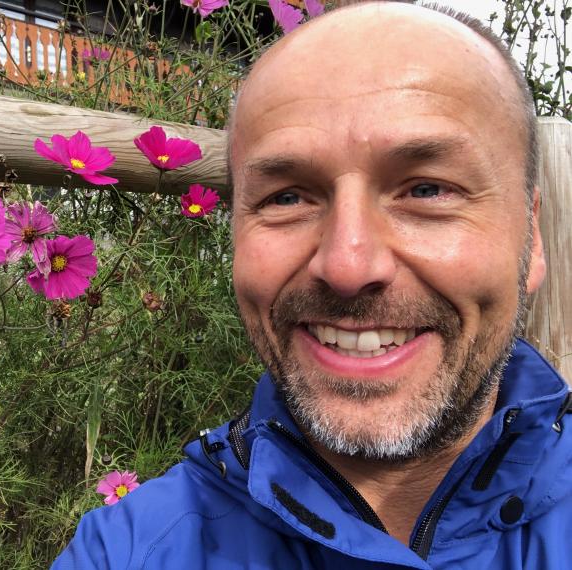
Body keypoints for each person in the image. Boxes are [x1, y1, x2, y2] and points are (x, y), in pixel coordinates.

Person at [52, 2, 572, 568]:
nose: (347, 266)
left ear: (533, 237)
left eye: (426, 190)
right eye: (288, 197)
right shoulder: (127, 553)